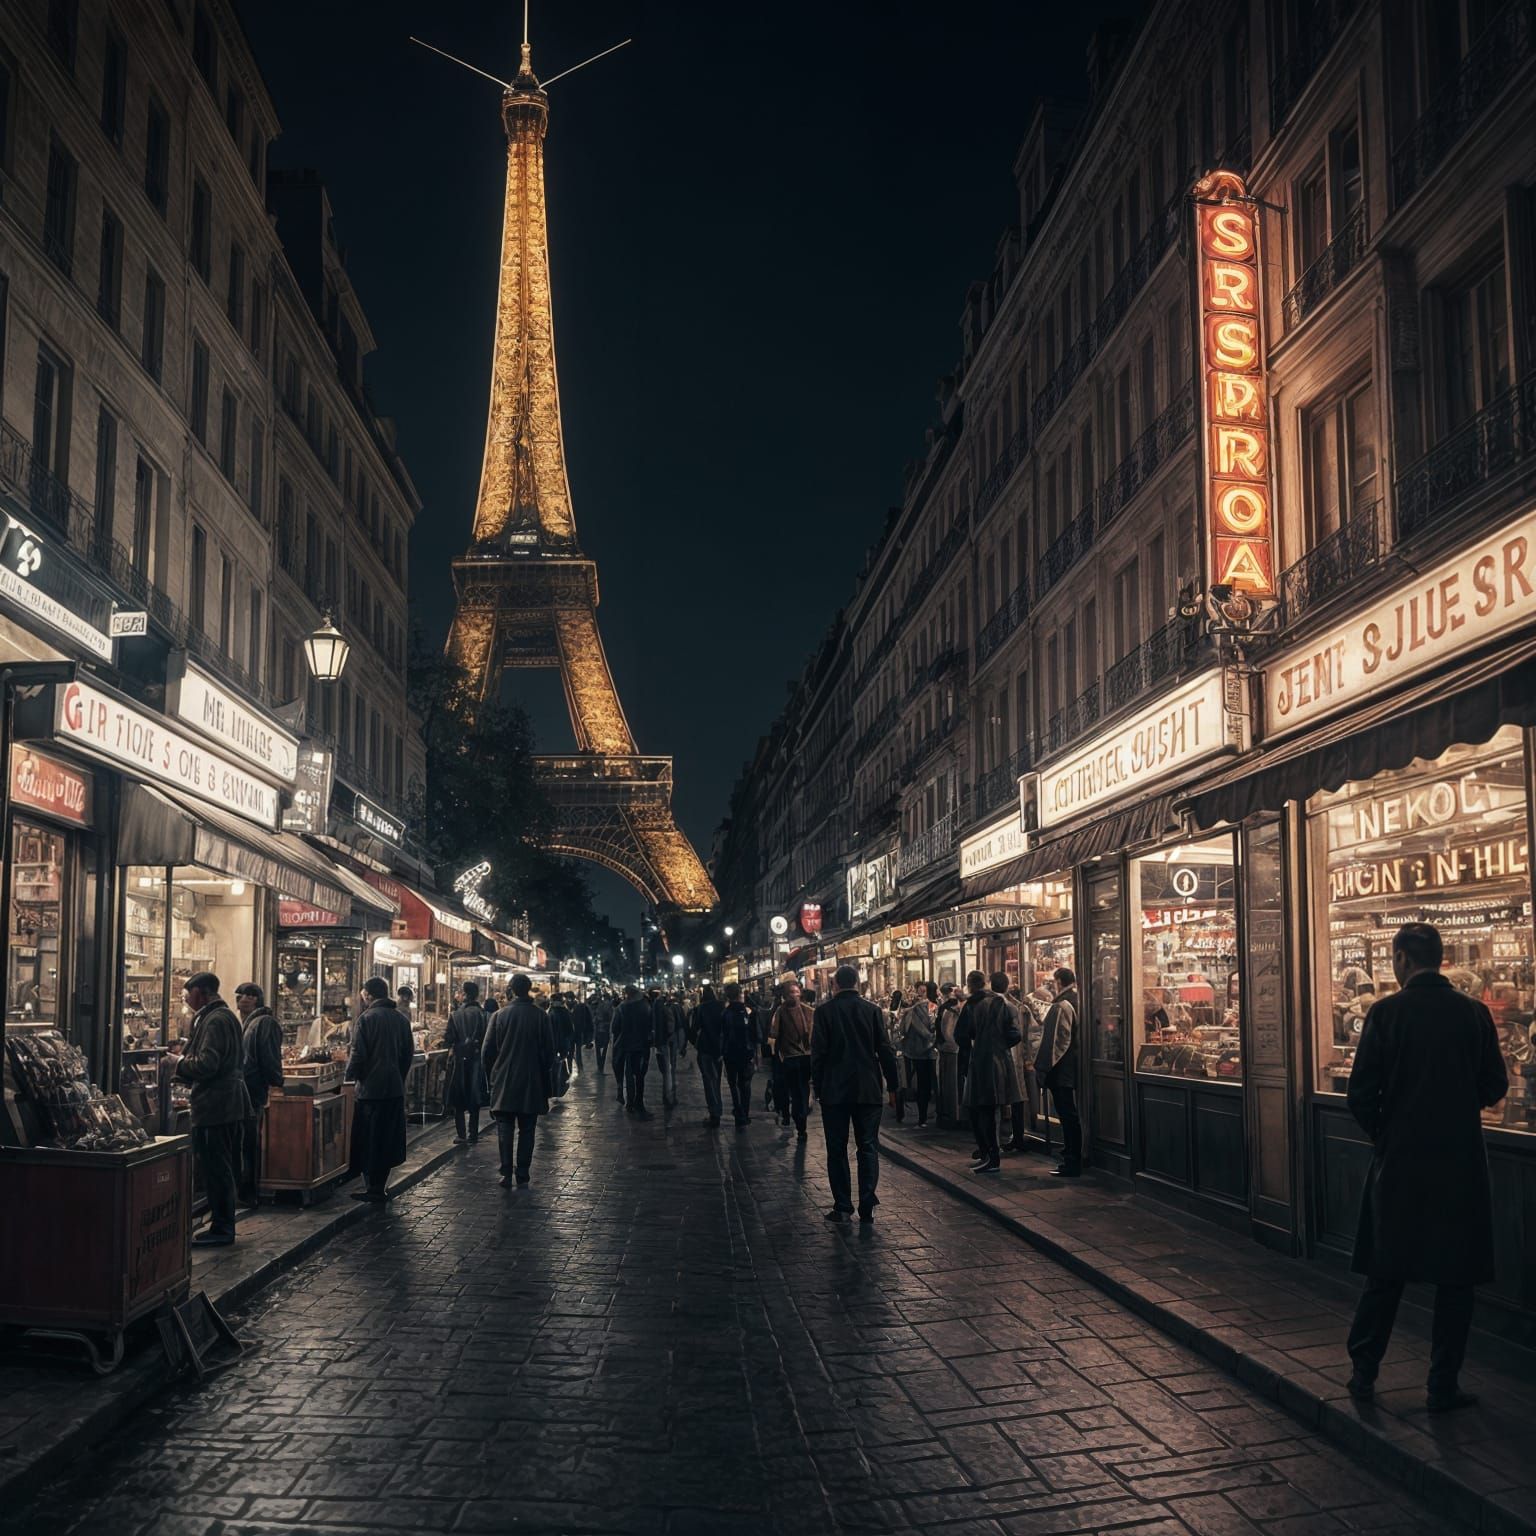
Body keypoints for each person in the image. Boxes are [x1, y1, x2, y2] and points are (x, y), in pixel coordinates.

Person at [1344, 923, 1508, 1412]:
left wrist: (1387, 1132)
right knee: (1456, 1278)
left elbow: (1359, 1094)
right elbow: (1495, 1084)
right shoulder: (1473, 1013)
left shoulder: (1385, 1014)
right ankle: (1443, 1384)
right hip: (1459, 1161)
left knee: (1386, 1272)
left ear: (1401, 959)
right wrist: (1458, 1108)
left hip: (1400, 1162)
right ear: (1440, 958)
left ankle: (1364, 1372)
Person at [812, 965, 899, 1222]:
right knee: (868, 1146)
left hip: (834, 1090)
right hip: (867, 1088)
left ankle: (842, 1206)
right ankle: (867, 1202)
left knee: (837, 1148)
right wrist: (893, 1086)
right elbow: (885, 1050)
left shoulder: (824, 1012)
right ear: (857, 984)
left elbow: (818, 1054)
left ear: (835, 984)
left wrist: (818, 1087)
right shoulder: (872, 1010)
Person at [175, 973, 249, 1246]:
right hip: (223, 1105)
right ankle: (220, 1224)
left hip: (216, 1107)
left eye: (189, 993)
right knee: (220, 1168)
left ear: (201, 992)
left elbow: (207, 1064)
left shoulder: (216, 1019)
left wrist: (177, 1063)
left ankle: (222, 1229)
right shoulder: (221, 1016)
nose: (187, 999)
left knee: (217, 1169)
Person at [346, 978, 416, 1202]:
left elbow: (358, 1055)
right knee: (386, 1138)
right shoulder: (401, 1019)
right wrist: (398, 1077)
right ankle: (379, 1186)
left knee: (369, 1138)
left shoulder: (366, 1019)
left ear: (368, 995)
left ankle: (372, 1187)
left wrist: (350, 1078)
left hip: (370, 1091)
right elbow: (408, 1054)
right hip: (393, 1089)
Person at [484, 973, 557, 1187]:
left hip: (504, 1082)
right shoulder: (541, 1016)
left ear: (512, 990)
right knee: (527, 1129)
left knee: (505, 1128)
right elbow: (549, 1052)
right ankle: (523, 1172)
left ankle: (506, 1171)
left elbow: (487, 1052)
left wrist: (492, 1077)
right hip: (531, 1082)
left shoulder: (499, 1016)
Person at [958, 971, 1023, 1174]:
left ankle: (990, 1156)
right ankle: (990, 1155)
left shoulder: (972, 1005)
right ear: (985, 982)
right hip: (1000, 1061)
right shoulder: (1001, 1002)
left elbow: (961, 1035)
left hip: (980, 1062)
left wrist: (979, 1044)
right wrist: (999, 1045)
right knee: (991, 1109)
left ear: (970, 985)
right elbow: (1015, 1034)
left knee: (981, 1110)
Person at [234, 982, 283, 1207]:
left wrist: (276, 1082)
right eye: (239, 995)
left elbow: (270, 1058)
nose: (242, 999)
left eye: (248, 995)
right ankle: (244, 1191)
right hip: (246, 1091)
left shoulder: (264, 1023)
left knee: (249, 1143)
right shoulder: (248, 1023)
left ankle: (248, 1193)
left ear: (257, 999)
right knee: (245, 1142)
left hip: (253, 1091)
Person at [1035, 966, 1081, 1178]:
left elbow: (1057, 1042)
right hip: (1072, 1066)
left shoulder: (1063, 1004)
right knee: (1069, 1114)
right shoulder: (1077, 999)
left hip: (1062, 1069)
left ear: (1059, 981)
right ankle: (1072, 1155)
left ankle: (1072, 1160)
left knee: (1067, 1114)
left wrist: (1044, 1068)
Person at [443, 981, 490, 1143]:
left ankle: (461, 1134)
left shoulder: (455, 1015)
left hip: (459, 1062)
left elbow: (448, 1039)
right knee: (475, 1097)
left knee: (458, 1097)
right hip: (478, 1061)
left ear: (464, 994)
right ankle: (473, 1133)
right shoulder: (484, 1015)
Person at [770, 978, 814, 1138]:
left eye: (795, 992)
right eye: (791, 993)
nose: (794, 996)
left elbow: (773, 1034)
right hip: (794, 1058)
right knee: (800, 1090)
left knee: (798, 1091)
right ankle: (800, 1121)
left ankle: (800, 1120)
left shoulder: (804, 1011)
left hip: (798, 1058)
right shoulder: (784, 1012)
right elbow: (774, 1034)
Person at [995, 976, 1029, 1155]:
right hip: (1012, 1057)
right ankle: (1015, 1138)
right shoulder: (1011, 1007)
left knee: (1006, 1099)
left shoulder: (1011, 1007)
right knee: (1013, 1098)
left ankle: (1013, 1138)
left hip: (1007, 1058)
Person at [899, 982, 939, 1129]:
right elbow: (934, 1027)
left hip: (916, 1052)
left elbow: (904, 1030)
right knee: (934, 1084)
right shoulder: (934, 1007)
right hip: (932, 1052)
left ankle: (922, 1118)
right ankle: (938, 1114)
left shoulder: (914, 1009)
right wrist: (932, 1039)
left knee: (922, 1084)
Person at [720, 982, 759, 1129]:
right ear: (739, 994)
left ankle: (738, 1110)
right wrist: (757, 1053)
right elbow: (755, 1034)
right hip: (746, 1052)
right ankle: (745, 1113)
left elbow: (722, 1035)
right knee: (745, 1083)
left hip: (730, 1053)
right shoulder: (748, 1011)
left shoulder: (725, 1013)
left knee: (733, 1083)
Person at [614, 985, 655, 1117]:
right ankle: (639, 1104)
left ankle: (630, 1102)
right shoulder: (645, 1006)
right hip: (642, 1046)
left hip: (626, 1046)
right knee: (640, 1076)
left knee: (629, 1074)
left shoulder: (621, 1008)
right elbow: (651, 1025)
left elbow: (615, 1027)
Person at [691, 984, 726, 1127]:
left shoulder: (701, 1008)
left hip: (705, 1048)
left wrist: (695, 1043)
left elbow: (694, 1028)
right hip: (719, 1049)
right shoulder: (722, 1006)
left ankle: (714, 1113)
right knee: (716, 1081)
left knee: (709, 1081)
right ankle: (717, 1110)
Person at [651, 988, 679, 1109]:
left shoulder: (653, 1008)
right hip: (665, 1043)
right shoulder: (664, 1008)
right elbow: (671, 1025)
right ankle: (668, 1097)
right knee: (668, 1070)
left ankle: (667, 1096)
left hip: (658, 1043)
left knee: (665, 1070)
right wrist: (670, 1037)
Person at [549, 992, 575, 1080]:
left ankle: (560, 1079)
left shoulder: (552, 1013)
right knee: (562, 1061)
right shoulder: (565, 1012)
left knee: (555, 1068)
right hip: (564, 1043)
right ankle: (565, 1075)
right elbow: (570, 1029)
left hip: (555, 1044)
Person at [593, 990, 615, 1076]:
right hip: (605, 1029)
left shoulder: (599, 1005)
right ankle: (601, 1066)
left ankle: (600, 1066)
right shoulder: (610, 1007)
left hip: (599, 1030)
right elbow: (611, 1018)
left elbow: (595, 1018)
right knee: (605, 1049)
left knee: (598, 1049)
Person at [572, 993, 594, 1070]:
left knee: (576, 1050)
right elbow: (589, 1020)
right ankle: (579, 1065)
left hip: (577, 1031)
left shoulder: (578, 1008)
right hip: (580, 1031)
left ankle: (579, 1065)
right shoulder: (584, 1007)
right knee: (577, 1049)